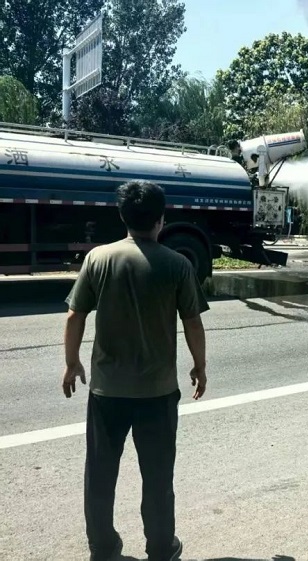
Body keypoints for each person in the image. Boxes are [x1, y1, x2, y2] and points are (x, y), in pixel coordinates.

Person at [62, 180, 210, 561]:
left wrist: (72, 362)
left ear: (122, 216)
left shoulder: (98, 259)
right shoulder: (177, 264)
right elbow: (193, 323)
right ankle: (161, 547)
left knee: (100, 475)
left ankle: (103, 548)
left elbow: (75, 315)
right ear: (161, 220)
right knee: (158, 478)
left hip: (107, 392)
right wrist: (199, 365)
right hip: (157, 393)